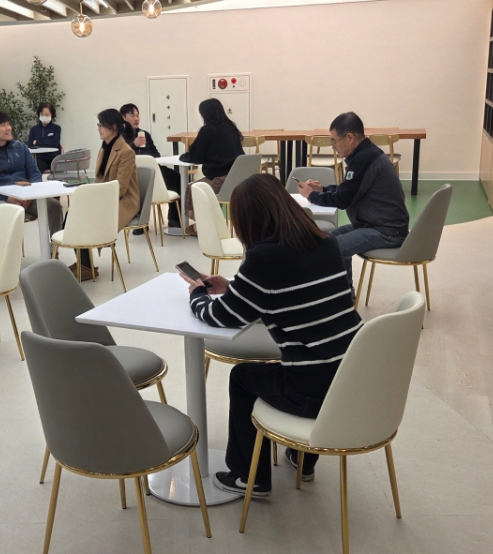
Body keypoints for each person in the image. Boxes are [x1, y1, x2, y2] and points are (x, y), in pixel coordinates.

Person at [180, 173, 362, 497]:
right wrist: (232, 286)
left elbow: (221, 317)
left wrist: (198, 295)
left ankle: (248, 477)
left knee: (243, 377)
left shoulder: (264, 257)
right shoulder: (326, 242)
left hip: (311, 392)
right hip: (351, 380)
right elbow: (295, 293)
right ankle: (303, 459)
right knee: (310, 359)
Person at [296, 112, 409, 278]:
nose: (333, 146)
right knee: (327, 240)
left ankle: (343, 291)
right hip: (373, 224)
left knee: (332, 247)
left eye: (334, 141)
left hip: (387, 231)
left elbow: (343, 200)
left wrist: (312, 195)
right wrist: (323, 190)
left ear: (350, 138)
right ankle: (345, 287)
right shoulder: (366, 154)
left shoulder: (365, 158)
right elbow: (350, 190)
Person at [69, 108, 141, 279]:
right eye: (99, 125)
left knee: (83, 217)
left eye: (101, 125)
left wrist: (96, 199)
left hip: (123, 200)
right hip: (105, 197)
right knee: (72, 214)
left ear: (113, 127)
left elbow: (121, 188)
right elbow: (99, 180)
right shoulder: (104, 149)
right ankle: (84, 264)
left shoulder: (126, 152)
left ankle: (86, 266)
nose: (98, 128)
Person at [0, 110, 63, 233]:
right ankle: (9, 246)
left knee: (54, 206)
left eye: (8, 124)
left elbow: (34, 172)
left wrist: (32, 193)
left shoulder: (21, 147)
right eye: (3, 125)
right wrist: (6, 197)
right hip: (3, 198)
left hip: (28, 195)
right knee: (5, 213)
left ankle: (54, 244)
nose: (8, 128)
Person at [178, 98, 244, 236]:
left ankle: (202, 225)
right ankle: (210, 221)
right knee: (199, 185)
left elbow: (195, 157)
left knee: (193, 188)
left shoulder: (207, 130)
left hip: (221, 179)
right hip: (238, 178)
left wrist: (182, 156)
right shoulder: (231, 128)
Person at [121, 103, 183, 230]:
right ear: (123, 117)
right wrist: (134, 145)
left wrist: (146, 153)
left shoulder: (144, 134)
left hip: (153, 170)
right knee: (138, 186)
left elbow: (156, 154)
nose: (136, 118)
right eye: (132, 115)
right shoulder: (120, 136)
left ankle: (174, 218)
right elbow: (121, 157)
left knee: (178, 178)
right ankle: (140, 224)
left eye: (138, 115)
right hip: (132, 173)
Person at [27, 102, 62, 173]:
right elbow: (30, 144)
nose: (44, 116)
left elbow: (55, 143)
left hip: (54, 157)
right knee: (38, 171)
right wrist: (47, 141)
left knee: (57, 171)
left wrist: (38, 142)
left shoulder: (56, 128)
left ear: (52, 115)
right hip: (41, 158)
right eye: (42, 114)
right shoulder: (34, 129)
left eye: (47, 115)